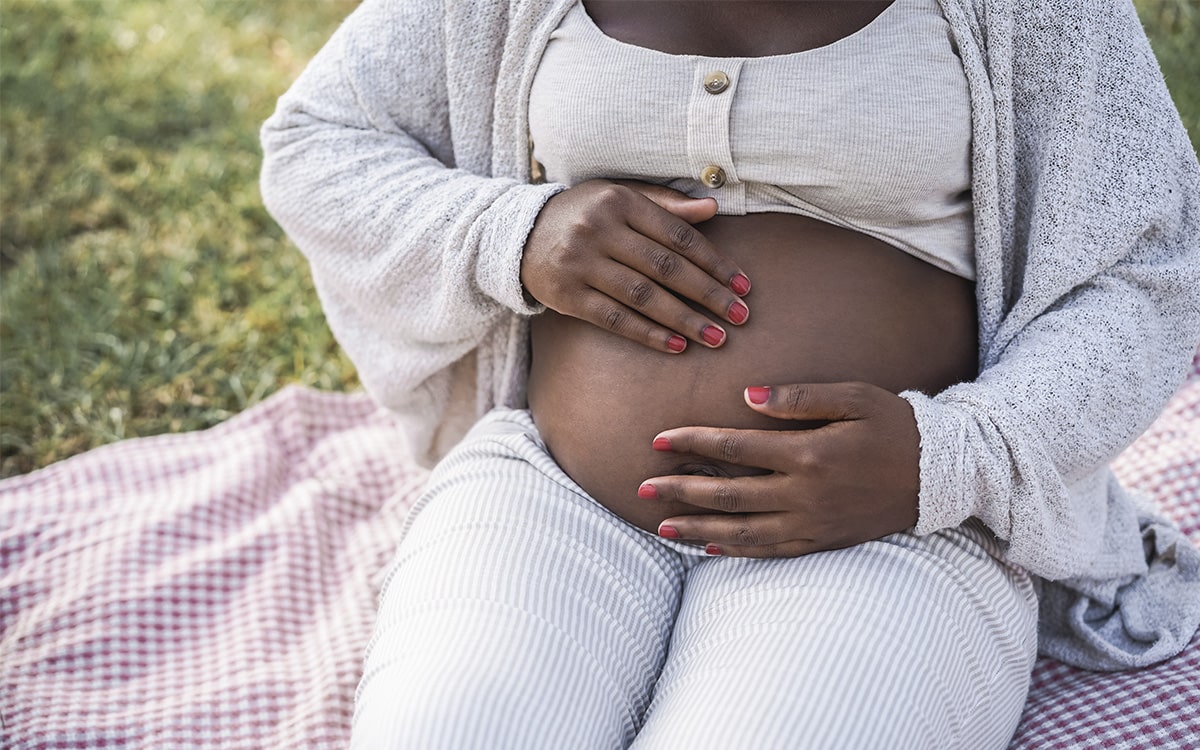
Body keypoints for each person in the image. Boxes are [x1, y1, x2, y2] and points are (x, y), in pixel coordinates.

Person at [260, 0, 1200, 747]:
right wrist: (514, 232)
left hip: (901, 525)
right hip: (552, 486)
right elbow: (319, 142)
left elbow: (1145, 265)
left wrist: (948, 457)